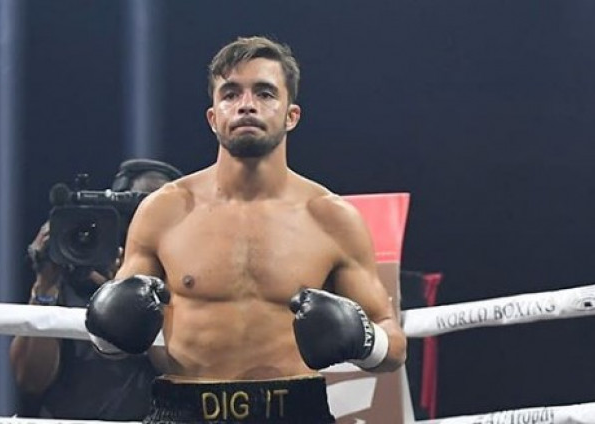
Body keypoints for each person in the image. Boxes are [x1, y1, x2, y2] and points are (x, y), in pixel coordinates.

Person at [85, 36, 407, 424]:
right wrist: (109, 328)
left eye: (265, 93)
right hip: (185, 412)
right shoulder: (164, 211)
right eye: (231, 94)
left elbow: (394, 346)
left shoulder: (332, 217)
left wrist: (364, 340)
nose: (246, 104)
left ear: (291, 115)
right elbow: (114, 337)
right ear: (213, 117)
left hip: (294, 413)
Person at [10, 158, 184, 420]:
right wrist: (45, 285)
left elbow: (182, 373)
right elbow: (30, 380)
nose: (146, 219)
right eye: (137, 208)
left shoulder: (179, 279)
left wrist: (130, 299)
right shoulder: (73, 264)